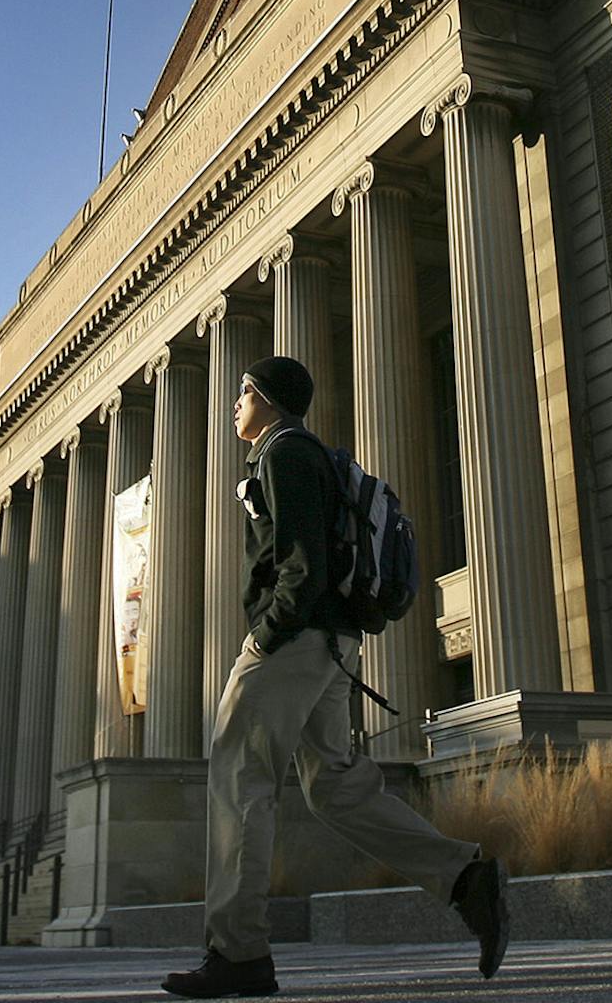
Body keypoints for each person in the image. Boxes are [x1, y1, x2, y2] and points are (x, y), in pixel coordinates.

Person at [163, 354, 509, 999]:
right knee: (336, 789)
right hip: (330, 647)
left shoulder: (284, 452)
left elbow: (301, 559)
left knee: (240, 778)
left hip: (293, 643)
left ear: (266, 397)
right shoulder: (306, 454)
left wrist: (268, 634)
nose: (235, 403)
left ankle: (238, 952)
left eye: (243, 391)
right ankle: (464, 878)